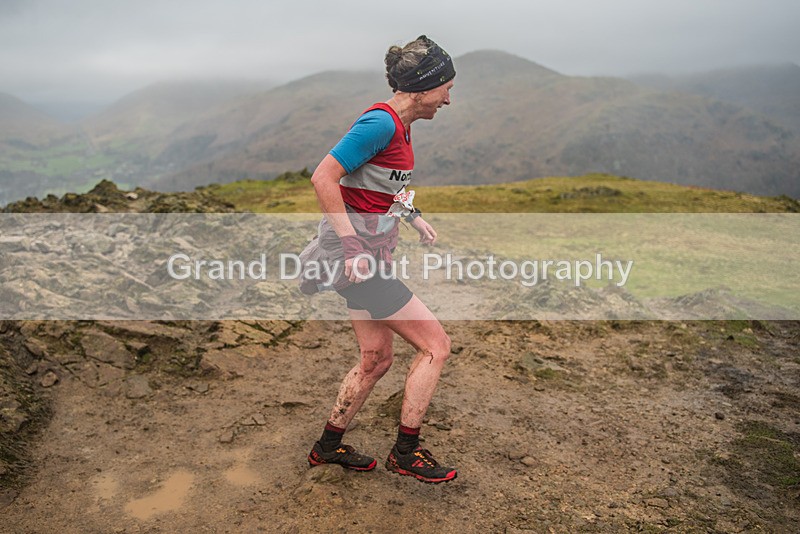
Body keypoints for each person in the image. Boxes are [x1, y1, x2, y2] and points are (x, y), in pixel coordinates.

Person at [304, 35, 457, 484]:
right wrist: (352, 245)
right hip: (357, 261)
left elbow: (384, 187)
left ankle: (327, 448)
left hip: (368, 257)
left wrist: (413, 217)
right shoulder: (380, 123)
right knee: (436, 347)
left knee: (375, 358)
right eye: (445, 86)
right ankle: (406, 452)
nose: (449, 98)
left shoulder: (402, 128)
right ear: (421, 87)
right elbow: (323, 176)